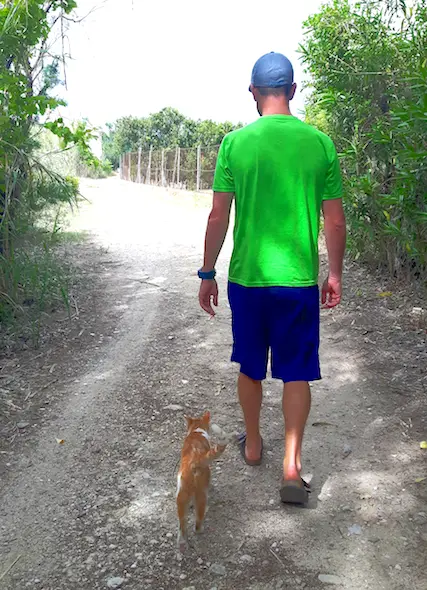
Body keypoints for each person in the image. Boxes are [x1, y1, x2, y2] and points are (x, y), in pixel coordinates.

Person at [197, 52, 346, 505]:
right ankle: (291, 467)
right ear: (294, 92)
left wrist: (207, 272)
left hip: (247, 280)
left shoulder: (234, 145)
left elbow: (218, 214)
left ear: (253, 93)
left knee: (249, 364)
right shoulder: (319, 144)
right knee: (296, 371)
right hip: (297, 281)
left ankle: (255, 444)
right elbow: (335, 223)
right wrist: (334, 273)